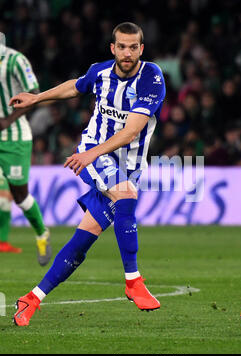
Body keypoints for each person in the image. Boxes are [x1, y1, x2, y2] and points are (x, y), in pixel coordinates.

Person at [10, 22, 166, 326]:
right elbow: (75, 85)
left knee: (84, 240)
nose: (127, 53)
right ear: (113, 48)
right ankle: (133, 281)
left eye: (133, 47)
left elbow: (133, 130)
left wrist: (91, 155)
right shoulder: (100, 72)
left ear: (141, 49)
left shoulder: (151, 77)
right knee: (126, 196)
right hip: (95, 151)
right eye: (121, 46)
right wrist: (37, 98)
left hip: (127, 165)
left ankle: (32, 298)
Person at [0, 37, 52, 265]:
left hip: (14, 138)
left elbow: (35, 93)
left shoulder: (15, 60)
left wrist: (7, 120)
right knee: (2, 200)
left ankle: (42, 233)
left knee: (19, 195)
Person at [0, 168, 22, 253]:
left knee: (5, 219)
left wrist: (13, 192)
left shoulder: (7, 164)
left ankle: (3, 243)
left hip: (7, 197)